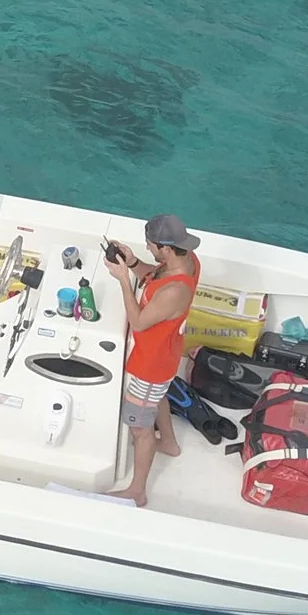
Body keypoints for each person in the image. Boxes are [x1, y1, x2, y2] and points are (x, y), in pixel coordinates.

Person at [104, 215, 203, 507]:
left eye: (150, 245)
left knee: (139, 428)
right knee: (158, 398)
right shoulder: (188, 261)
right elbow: (155, 275)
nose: (147, 247)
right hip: (168, 354)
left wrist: (123, 280)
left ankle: (137, 490)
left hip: (151, 366)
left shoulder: (174, 293)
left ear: (166, 248)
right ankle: (170, 444)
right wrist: (133, 263)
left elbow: (138, 321)